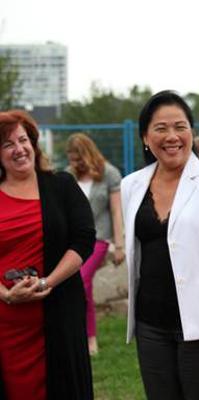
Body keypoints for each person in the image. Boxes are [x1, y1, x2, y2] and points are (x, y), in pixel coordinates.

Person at [121, 90, 199, 400]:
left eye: (180, 126)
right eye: (161, 128)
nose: (172, 136)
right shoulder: (131, 185)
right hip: (150, 325)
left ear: (192, 132)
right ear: (146, 137)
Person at [0, 110, 95, 399]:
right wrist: (5, 294)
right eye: (7, 144)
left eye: (23, 139)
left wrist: (48, 282)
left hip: (58, 312)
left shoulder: (61, 185)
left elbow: (83, 239)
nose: (19, 149)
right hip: (6, 321)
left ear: (34, 143)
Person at [66, 132, 125, 356]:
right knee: (82, 286)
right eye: (71, 159)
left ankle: (88, 337)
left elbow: (116, 211)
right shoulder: (68, 176)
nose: (75, 163)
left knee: (81, 280)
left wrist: (119, 245)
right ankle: (85, 337)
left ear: (88, 154)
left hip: (99, 238)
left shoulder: (109, 174)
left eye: (78, 159)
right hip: (72, 240)